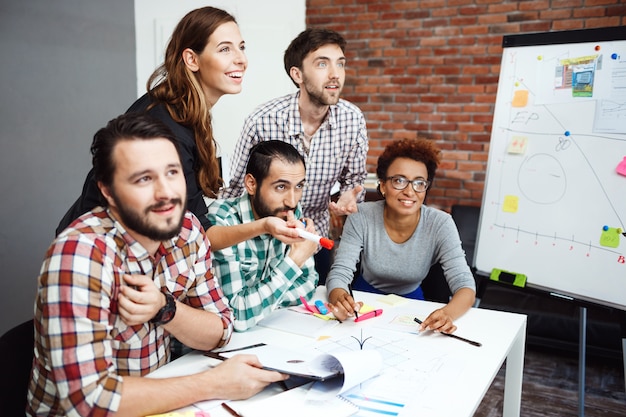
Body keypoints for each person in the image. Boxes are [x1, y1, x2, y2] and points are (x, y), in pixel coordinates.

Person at [28, 114, 287, 416]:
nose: (166, 192)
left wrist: (166, 309)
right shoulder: (80, 256)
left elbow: (221, 329)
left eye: (172, 172)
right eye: (144, 179)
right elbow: (92, 401)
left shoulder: (188, 229)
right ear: (108, 192)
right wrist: (212, 383)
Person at [56, 6, 248, 235]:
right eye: (225, 49)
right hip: (96, 247)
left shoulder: (182, 107)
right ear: (192, 59)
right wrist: (264, 227)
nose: (241, 59)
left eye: (241, 47)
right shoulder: (166, 127)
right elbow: (195, 231)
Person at [219, 28, 369, 283]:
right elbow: (236, 190)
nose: (335, 75)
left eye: (340, 64)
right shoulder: (262, 121)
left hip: (313, 239)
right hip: (263, 244)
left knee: (312, 315)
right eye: (322, 64)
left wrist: (347, 197)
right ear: (297, 74)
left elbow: (354, 180)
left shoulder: (352, 119)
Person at [326, 138, 476, 334]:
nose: (409, 191)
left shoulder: (440, 223)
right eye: (399, 180)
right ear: (382, 186)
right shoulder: (361, 215)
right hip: (363, 301)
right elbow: (340, 273)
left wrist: (447, 313)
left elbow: (465, 284)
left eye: (419, 183)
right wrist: (340, 297)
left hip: (413, 303)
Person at [207, 141, 319, 331]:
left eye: (299, 186)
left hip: (267, 332)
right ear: (251, 184)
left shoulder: (288, 210)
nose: (292, 201)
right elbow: (237, 315)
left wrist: (258, 304)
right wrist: (295, 259)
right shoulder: (223, 220)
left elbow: (308, 282)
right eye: (281, 187)